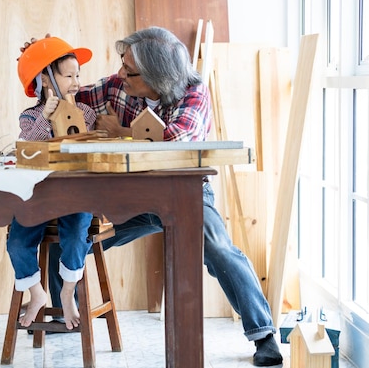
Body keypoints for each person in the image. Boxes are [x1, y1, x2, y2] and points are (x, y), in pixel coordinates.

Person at [23, 27, 283, 366]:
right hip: (130, 199)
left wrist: (121, 133)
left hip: (184, 196)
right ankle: (60, 314)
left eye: (129, 71)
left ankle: (263, 335)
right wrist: (45, 73)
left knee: (219, 250)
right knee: (69, 235)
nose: (119, 74)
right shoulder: (117, 87)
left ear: (157, 77)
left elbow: (177, 139)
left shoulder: (193, 93)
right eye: (122, 65)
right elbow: (65, 95)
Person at [7, 36, 96, 330]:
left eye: (77, 75)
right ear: (47, 79)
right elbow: (28, 148)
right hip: (38, 195)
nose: (76, 82)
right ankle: (36, 294)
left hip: (76, 194)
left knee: (74, 239)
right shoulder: (30, 117)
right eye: (68, 75)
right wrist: (46, 117)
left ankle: (68, 292)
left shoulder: (86, 114)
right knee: (18, 242)